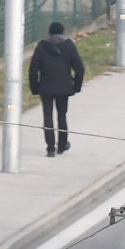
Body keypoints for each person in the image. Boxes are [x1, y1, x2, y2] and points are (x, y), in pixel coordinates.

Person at [28, 22, 85, 157]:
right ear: (62, 32)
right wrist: (76, 86)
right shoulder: (69, 45)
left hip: (46, 87)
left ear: (49, 32)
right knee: (62, 116)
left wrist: (35, 87)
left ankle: (50, 148)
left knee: (47, 116)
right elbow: (80, 68)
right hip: (64, 87)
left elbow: (33, 70)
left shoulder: (41, 47)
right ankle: (61, 145)